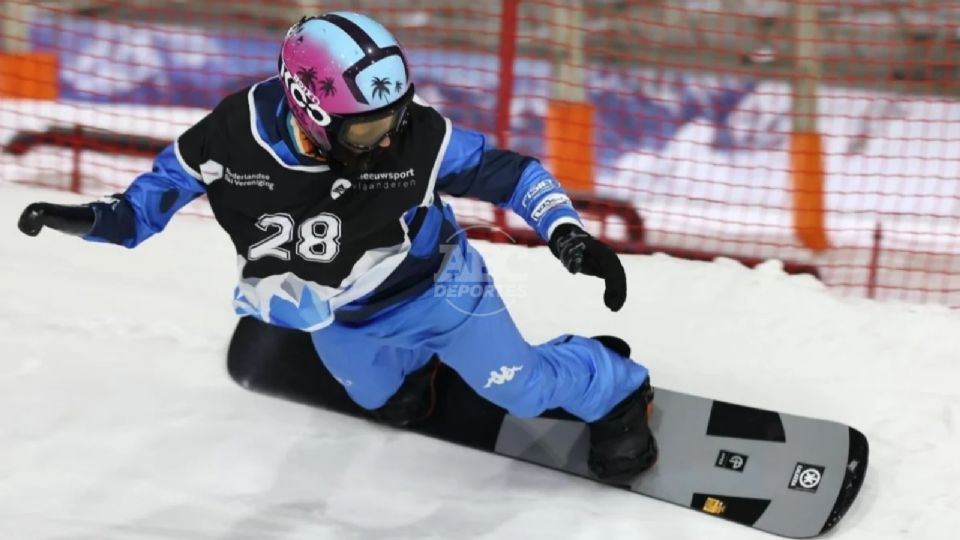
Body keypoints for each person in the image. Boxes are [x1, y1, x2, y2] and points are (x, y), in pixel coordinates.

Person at [16, 12, 656, 483]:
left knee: (520, 389)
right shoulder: (229, 139)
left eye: (396, 115)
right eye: (370, 126)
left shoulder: (413, 136)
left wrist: (566, 231)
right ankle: (411, 371)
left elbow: (511, 174)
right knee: (379, 399)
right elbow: (141, 210)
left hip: (440, 289)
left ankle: (611, 382)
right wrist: (88, 221)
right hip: (346, 313)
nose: (388, 139)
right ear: (306, 108)